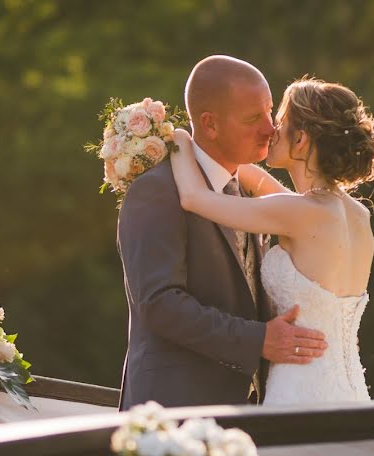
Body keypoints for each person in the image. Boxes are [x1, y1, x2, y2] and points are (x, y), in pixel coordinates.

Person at [116, 55, 328, 411]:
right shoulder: (157, 191)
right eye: (251, 118)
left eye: (269, 111)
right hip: (172, 411)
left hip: (248, 416)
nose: (269, 128)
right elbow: (159, 304)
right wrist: (258, 339)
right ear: (210, 125)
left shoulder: (250, 194)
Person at [170, 76, 374, 406]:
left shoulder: (298, 212)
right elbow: (261, 183)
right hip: (350, 388)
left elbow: (194, 198)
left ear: (299, 139)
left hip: (301, 387)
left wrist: (180, 140)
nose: (271, 129)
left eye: (280, 121)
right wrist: (226, 154)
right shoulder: (354, 214)